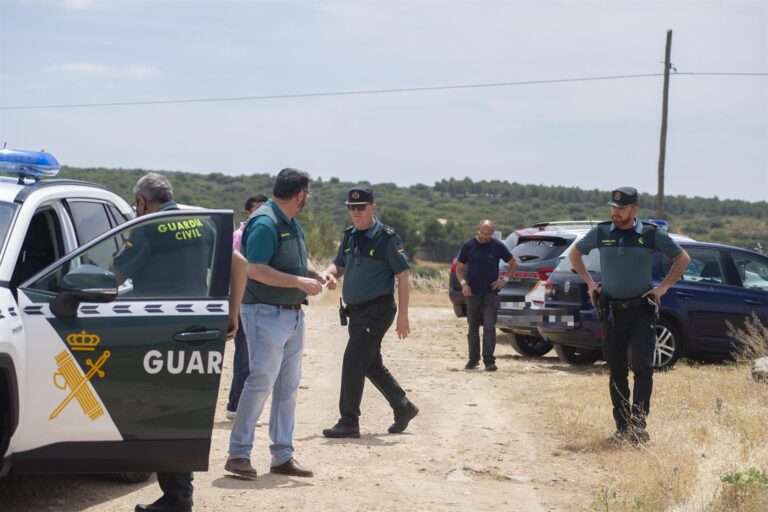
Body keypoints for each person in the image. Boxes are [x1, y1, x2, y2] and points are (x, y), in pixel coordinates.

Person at [114, 173, 244, 512]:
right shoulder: (202, 225)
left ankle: (177, 498)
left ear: (142, 202)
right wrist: (233, 313)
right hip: (194, 326)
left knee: (153, 408)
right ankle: (177, 496)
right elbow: (240, 264)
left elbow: (113, 277)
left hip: (151, 329)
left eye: (136, 205)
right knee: (179, 411)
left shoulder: (149, 226)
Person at [569, 187, 690, 444]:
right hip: (612, 312)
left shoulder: (650, 234)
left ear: (634, 209)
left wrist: (663, 287)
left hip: (642, 311)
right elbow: (574, 254)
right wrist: (590, 283)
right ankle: (622, 427)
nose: (616, 213)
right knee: (617, 371)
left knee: (643, 367)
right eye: (613, 208)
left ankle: (639, 425)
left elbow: (682, 258)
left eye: (621, 209)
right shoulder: (602, 232)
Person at [225, 168, 324, 479]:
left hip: (292, 314)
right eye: (308, 193)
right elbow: (255, 269)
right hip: (265, 313)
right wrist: (299, 281)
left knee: (287, 388)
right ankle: (238, 454)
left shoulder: (290, 222)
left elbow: (295, 261)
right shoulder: (266, 222)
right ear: (300, 194)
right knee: (260, 382)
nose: (308, 198)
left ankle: (282, 455)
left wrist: (316, 275)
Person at [321, 186, 417, 438]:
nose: (356, 212)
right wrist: (329, 274)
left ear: (373, 207)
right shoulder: (350, 235)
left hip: (378, 310)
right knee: (369, 363)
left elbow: (403, 275)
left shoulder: (386, 237)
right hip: (355, 312)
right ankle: (403, 407)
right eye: (351, 208)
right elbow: (338, 264)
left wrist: (404, 315)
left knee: (353, 360)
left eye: (361, 207)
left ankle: (349, 420)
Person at [455, 220, 517, 371]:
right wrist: (464, 284)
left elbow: (513, 263)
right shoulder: (468, 245)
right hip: (472, 293)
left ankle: (489, 361)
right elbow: (459, 268)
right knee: (473, 328)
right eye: (482, 233)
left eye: (488, 234)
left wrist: (504, 280)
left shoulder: (497, 246)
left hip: (491, 294)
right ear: (477, 230)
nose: (484, 237)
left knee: (489, 327)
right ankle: (473, 360)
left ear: (492, 233)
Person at [227, 194, 268, 421]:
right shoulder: (238, 236)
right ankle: (237, 406)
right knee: (245, 354)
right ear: (247, 213)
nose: (262, 213)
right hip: (242, 300)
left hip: (259, 301)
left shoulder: (263, 234)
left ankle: (239, 404)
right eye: (257, 209)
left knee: (254, 355)